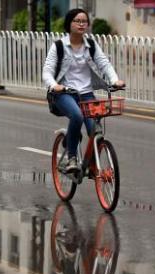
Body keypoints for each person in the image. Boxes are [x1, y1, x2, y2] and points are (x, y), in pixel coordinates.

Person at [43, 9, 125, 174]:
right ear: (69, 23)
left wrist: (115, 80)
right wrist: (54, 85)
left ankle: (92, 163)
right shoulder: (59, 46)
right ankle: (72, 157)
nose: (81, 24)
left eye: (84, 21)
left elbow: (104, 64)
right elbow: (47, 71)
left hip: (86, 94)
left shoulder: (91, 45)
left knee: (95, 129)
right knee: (77, 115)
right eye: (77, 21)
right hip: (64, 93)